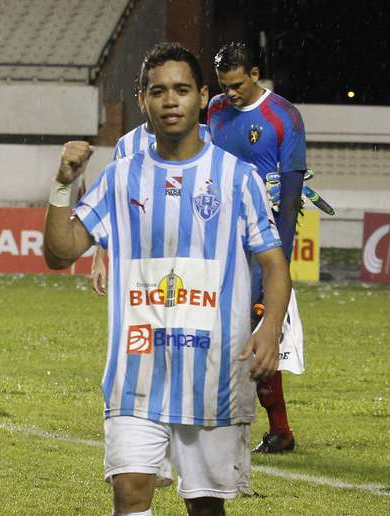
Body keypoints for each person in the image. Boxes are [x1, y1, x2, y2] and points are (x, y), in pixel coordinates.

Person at [44, 42, 291, 516]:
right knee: (130, 495)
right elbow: (60, 253)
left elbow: (274, 265)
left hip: (213, 376)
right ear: (143, 100)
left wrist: (269, 326)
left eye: (181, 90)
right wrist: (61, 184)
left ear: (202, 97)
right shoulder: (119, 178)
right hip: (137, 372)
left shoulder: (237, 178)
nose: (170, 100)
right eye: (158, 91)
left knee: (204, 507)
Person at [207, 42, 306, 454]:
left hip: (258, 243)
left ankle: (275, 429)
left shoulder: (284, 117)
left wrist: (277, 264)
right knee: (207, 330)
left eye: (235, 85)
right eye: (223, 86)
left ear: (254, 73)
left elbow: (291, 194)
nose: (229, 94)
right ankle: (219, 422)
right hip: (214, 236)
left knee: (254, 332)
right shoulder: (213, 110)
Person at [90, 97, 210, 296]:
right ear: (141, 99)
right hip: (143, 255)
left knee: (190, 321)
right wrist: (98, 259)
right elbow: (113, 203)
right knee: (146, 324)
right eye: (155, 92)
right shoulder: (127, 145)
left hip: (195, 252)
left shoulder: (206, 135)